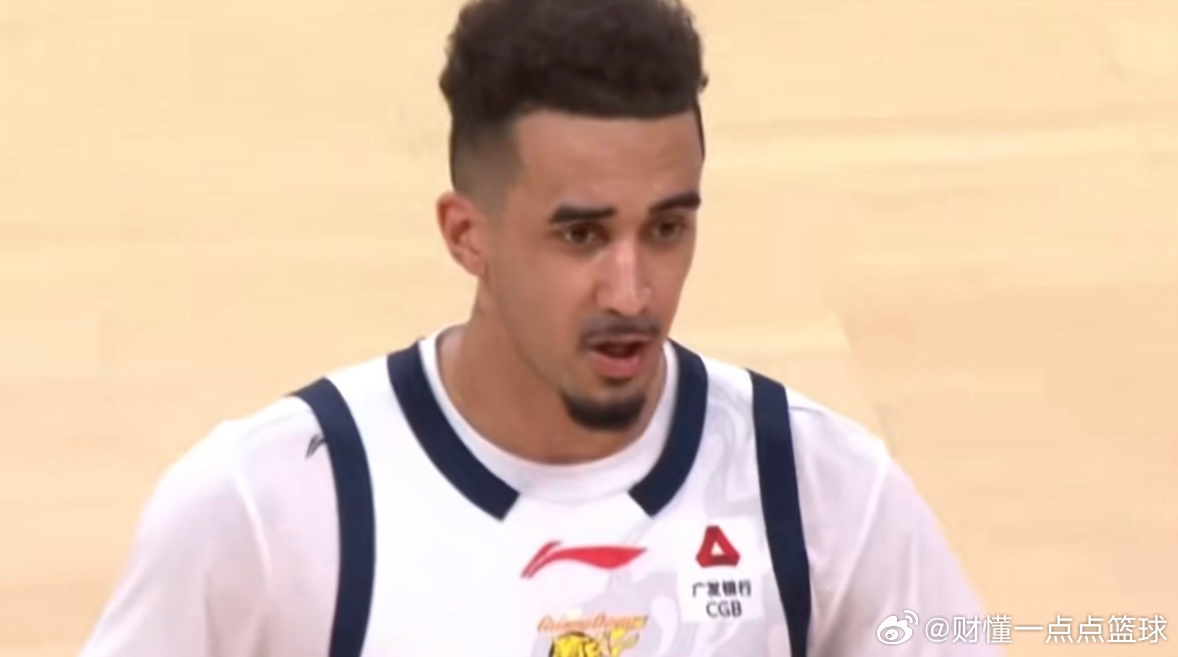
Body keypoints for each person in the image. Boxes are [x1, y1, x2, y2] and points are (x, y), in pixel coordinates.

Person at [79, 0, 1000, 655]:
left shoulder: (819, 492)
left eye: (667, 228)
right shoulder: (268, 509)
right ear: (465, 234)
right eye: (581, 235)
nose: (632, 292)